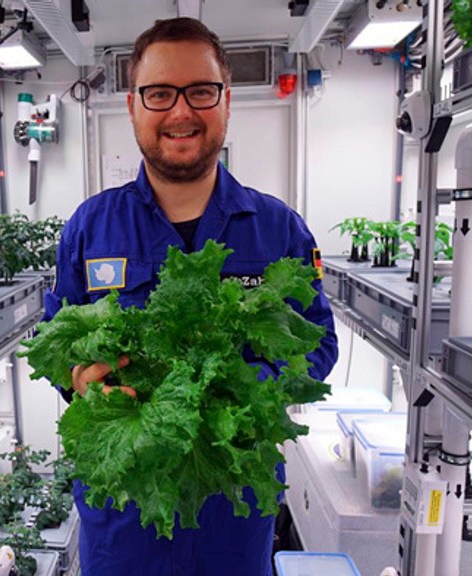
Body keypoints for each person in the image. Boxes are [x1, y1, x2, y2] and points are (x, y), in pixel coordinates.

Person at [41, 17, 339, 576]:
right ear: (133, 106)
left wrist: (245, 391)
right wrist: (80, 379)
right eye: (159, 93)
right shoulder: (89, 227)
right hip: (125, 517)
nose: (181, 111)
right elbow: (56, 344)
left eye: (201, 91)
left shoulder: (279, 230)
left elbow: (317, 345)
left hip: (232, 511)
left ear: (226, 102)